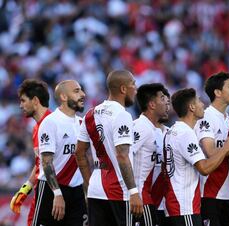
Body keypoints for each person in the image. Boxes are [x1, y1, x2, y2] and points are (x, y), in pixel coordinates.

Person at [163, 88, 229, 226]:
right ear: (191, 107)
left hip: (179, 204)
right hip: (184, 206)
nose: (202, 104)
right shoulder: (185, 133)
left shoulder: (172, 131)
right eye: (198, 101)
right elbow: (204, 167)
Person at [75, 70, 143, 226]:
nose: (136, 88)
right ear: (123, 89)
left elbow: (79, 153)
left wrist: (88, 183)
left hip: (95, 190)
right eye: (133, 84)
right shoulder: (122, 115)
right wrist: (133, 192)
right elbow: (122, 156)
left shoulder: (90, 114)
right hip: (119, 192)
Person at [194, 72, 229, 226]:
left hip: (227, 196)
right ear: (217, 92)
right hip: (209, 195)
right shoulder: (206, 116)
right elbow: (211, 153)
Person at [33, 80, 87, 226]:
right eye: (76, 91)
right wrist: (57, 194)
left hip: (77, 192)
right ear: (63, 97)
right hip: (52, 190)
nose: (83, 94)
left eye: (81, 90)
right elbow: (46, 162)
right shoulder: (51, 122)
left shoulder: (82, 123)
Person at [10, 79, 52, 226]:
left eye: (23, 101)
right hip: (47, 189)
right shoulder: (36, 128)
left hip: (52, 190)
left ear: (35, 100)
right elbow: (41, 162)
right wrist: (25, 188)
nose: (20, 106)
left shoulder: (52, 124)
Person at [130, 83, 168, 226]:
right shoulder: (141, 127)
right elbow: (123, 157)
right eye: (162, 98)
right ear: (152, 104)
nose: (166, 102)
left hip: (149, 198)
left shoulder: (155, 130)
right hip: (139, 198)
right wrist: (133, 193)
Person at [151, 89, 171, 226]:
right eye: (164, 102)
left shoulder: (173, 134)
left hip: (169, 204)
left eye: (168, 103)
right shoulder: (138, 129)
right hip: (147, 201)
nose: (167, 107)